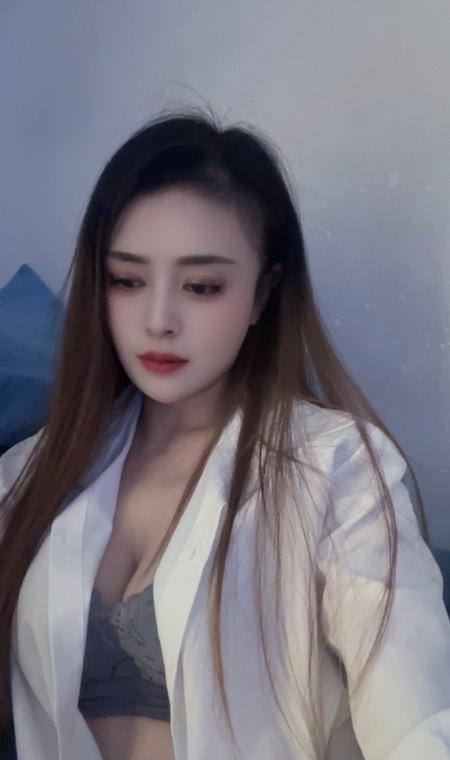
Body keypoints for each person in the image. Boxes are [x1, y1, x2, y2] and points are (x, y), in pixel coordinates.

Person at [0, 106, 449, 760]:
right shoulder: (31, 472)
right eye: (127, 280)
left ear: (262, 295)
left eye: (202, 286)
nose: (158, 319)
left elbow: (419, 719)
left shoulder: (339, 469)